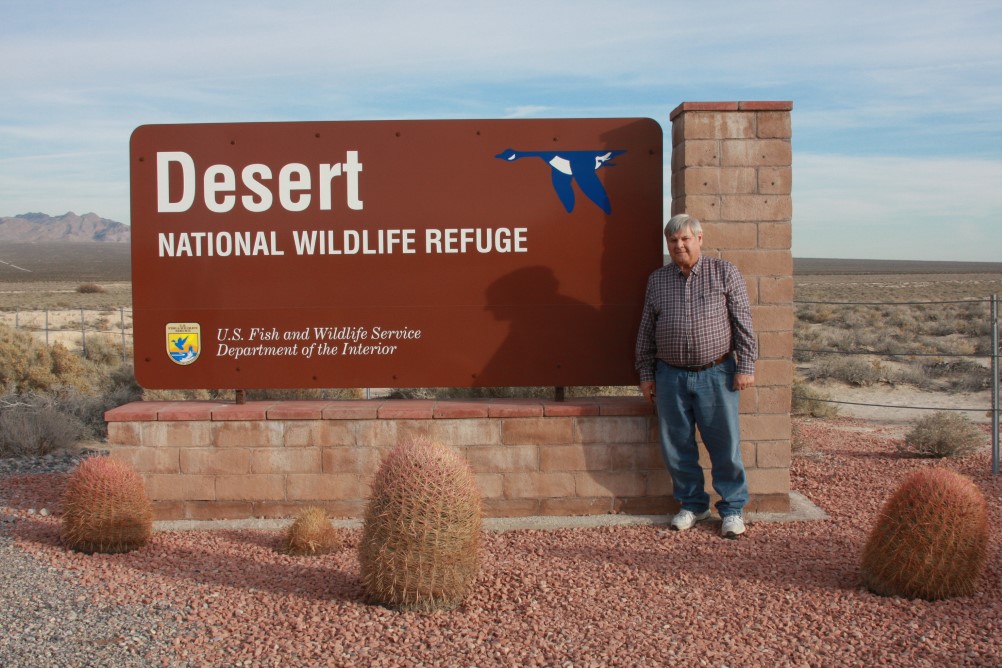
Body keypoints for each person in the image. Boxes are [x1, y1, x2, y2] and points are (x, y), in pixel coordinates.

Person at [634, 213, 757, 539]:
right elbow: (646, 330)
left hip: (717, 374)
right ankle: (692, 504)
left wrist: (746, 366)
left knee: (725, 445)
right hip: (670, 376)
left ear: (699, 239)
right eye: (673, 241)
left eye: (685, 239)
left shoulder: (724, 272)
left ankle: (732, 509)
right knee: (677, 445)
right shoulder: (658, 280)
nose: (679, 245)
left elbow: (743, 322)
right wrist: (646, 374)